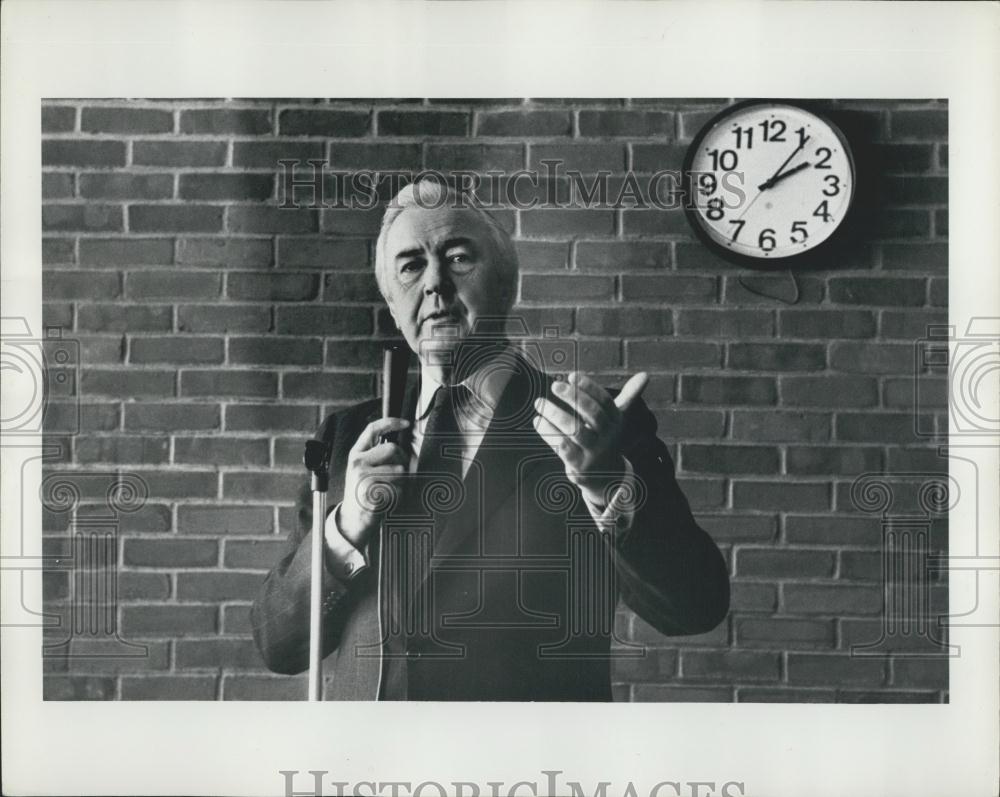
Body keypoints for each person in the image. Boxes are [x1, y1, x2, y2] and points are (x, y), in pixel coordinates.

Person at [251, 179, 729, 701]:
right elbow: (279, 645)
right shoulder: (344, 439)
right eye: (410, 266)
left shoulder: (598, 424)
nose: (435, 282)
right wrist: (346, 527)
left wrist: (609, 480)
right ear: (392, 303)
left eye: (457, 257)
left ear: (506, 282)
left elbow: (694, 607)